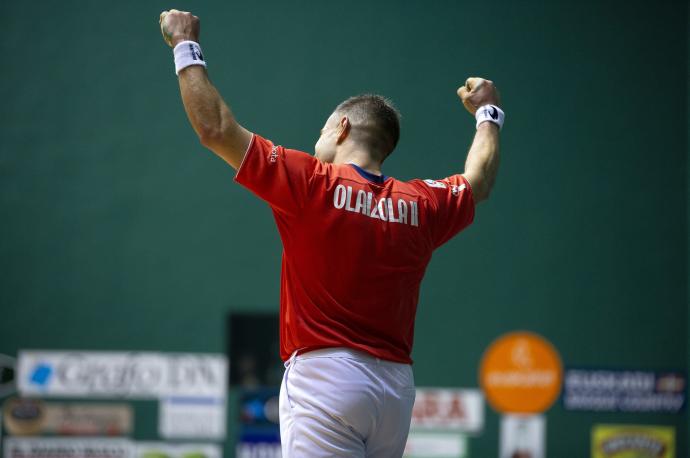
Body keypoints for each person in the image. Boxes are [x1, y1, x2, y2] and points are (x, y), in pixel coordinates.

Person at [159, 9, 503, 457]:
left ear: (342, 129)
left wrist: (185, 44)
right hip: (395, 392)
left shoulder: (311, 181)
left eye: (323, 129)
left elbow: (215, 129)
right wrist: (489, 114)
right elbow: (479, 181)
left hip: (327, 379)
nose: (318, 139)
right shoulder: (423, 203)